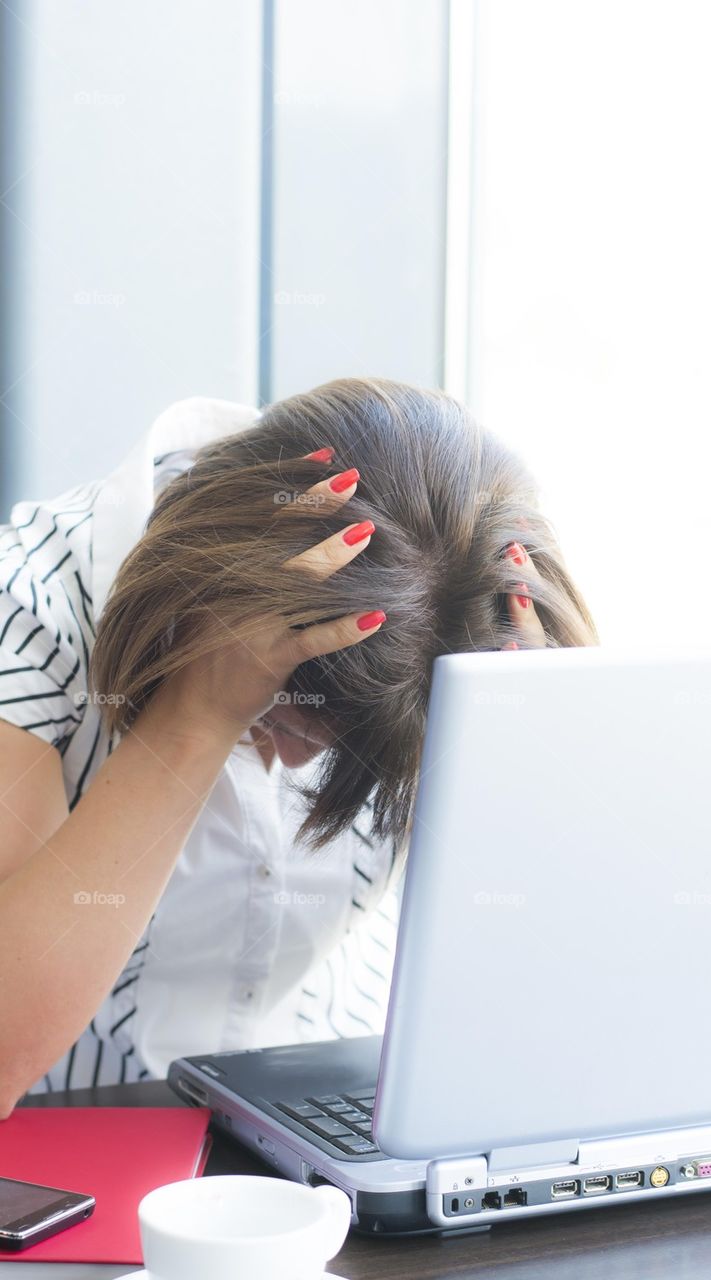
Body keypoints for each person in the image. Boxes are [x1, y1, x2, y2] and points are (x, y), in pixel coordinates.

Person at [0, 378, 596, 1112]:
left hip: (338, 1118)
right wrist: (198, 714)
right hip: (74, 1150)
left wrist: (520, 743)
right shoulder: (26, 609)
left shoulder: (456, 624)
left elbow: (548, 982)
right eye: (280, 721)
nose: (294, 765)